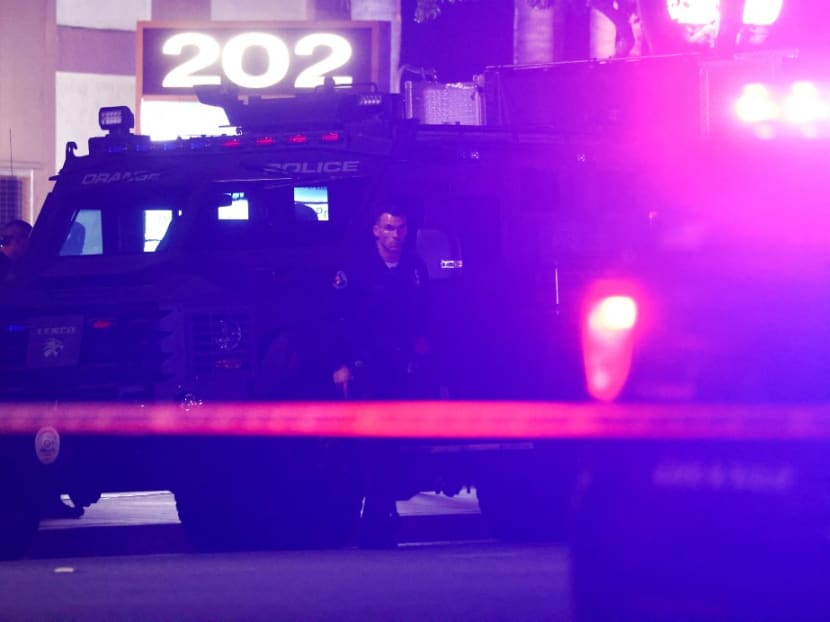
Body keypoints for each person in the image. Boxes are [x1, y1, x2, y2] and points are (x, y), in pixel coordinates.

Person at [331, 203, 432, 547]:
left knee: (396, 442)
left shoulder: (414, 268)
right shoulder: (356, 269)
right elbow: (338, 320)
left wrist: (421, 355)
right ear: (376, 230)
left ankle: (383, 510)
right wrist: (340, 364)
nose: (395, 235)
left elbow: (423, 317)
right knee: (371, 443)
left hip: (401, 369)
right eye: (388, 228)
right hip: (366, 369)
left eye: (400, 228)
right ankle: (374, 515)